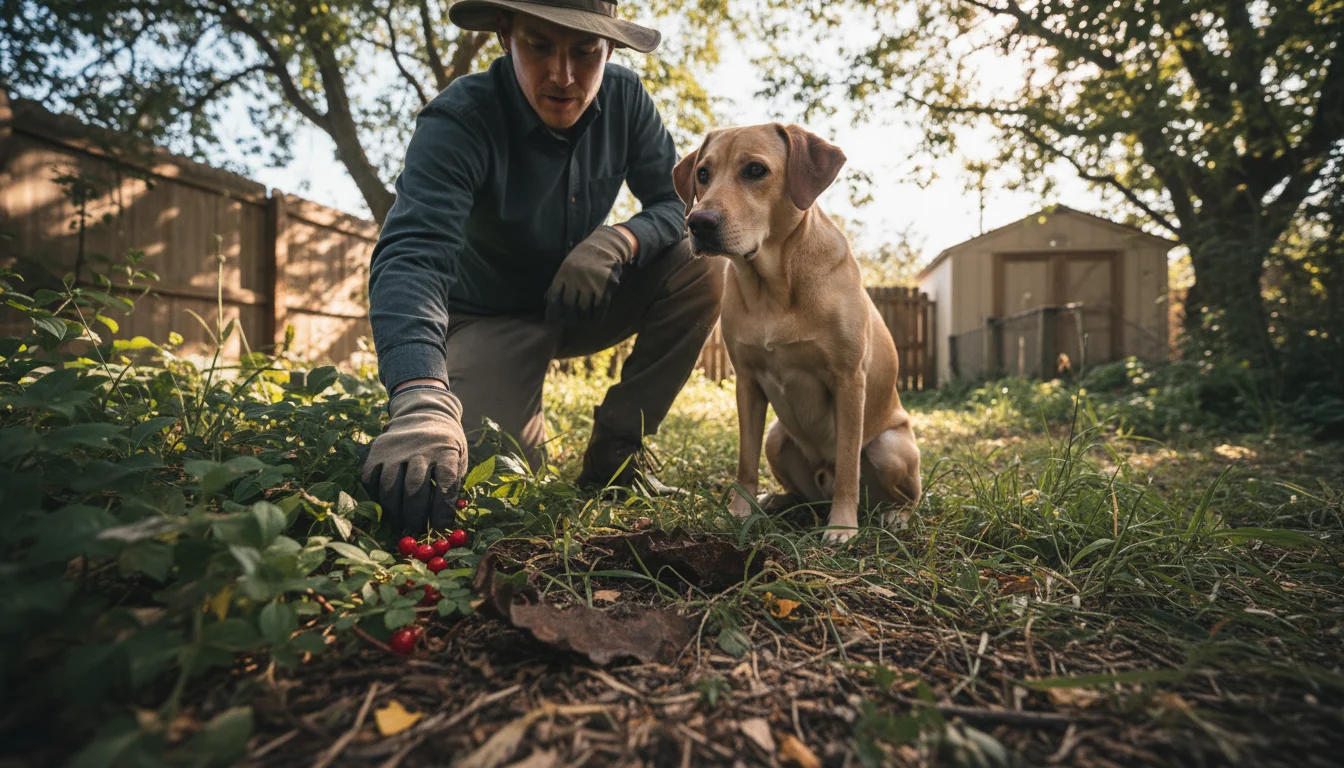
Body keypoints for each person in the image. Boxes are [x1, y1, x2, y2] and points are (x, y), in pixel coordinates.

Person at [360, 0, 725, 534]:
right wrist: (419, 396)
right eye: (539, 46)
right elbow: (412, 254)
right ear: (505, 34)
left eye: (585, 51)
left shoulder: (627, 101)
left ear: (611, 48)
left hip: (582, 299)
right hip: (487, 319)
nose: (563, 75)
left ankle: (616, 450)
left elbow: (675, 206)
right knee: (496, 478)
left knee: (702, 262)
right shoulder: (460, 119)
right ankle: (486, 401)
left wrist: (619, 239)